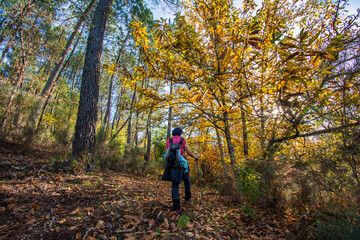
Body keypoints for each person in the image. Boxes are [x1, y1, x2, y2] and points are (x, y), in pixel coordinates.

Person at [162, 127, 199, 212]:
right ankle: (187, 198)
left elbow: (165, 153)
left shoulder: (169, 141)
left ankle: (176, 207)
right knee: (187, 179)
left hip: (172, 165)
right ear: (180, 133)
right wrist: (195, 157)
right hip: (182, 164)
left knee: (175, 184)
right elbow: (189, 152)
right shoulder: (182, 140)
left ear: (173, 133)